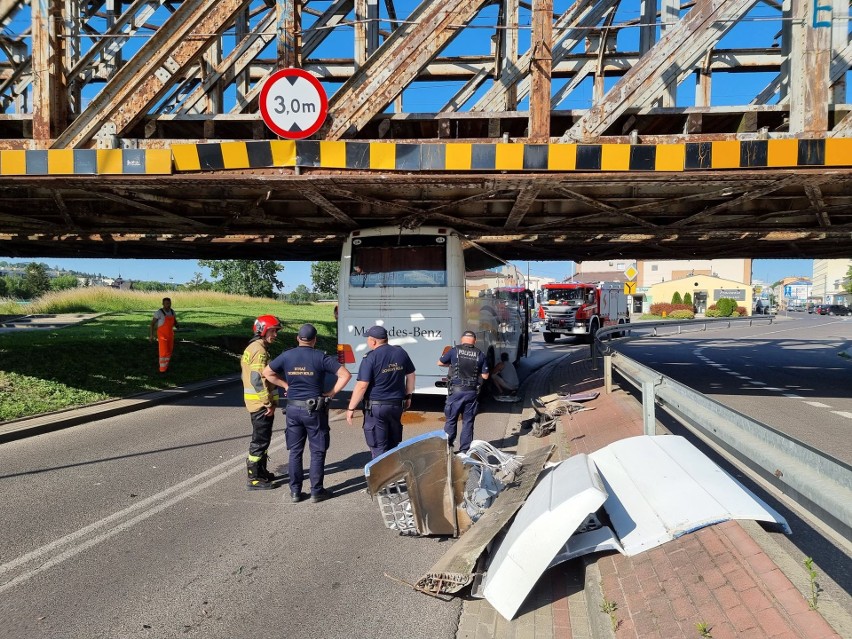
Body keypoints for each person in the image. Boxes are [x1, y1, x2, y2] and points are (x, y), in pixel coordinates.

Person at [264, 323, 351, 503]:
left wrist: (286, 385)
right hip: (314, 410)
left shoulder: (287, 356)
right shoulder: (320, 357)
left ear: (298, 338)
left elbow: (267, 372)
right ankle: (316, 491)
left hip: (293, 409)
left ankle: (295, 491)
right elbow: (345, 375)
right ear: (315, 340)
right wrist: (331, 393)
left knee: (295, 451)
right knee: (317, 451)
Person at [345, 325, 415, 458]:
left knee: (378, 446)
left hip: (376, 408)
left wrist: (350, 408)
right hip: (396, 405)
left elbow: (362, 385)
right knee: (393, 443)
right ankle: (392, 475)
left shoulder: (370, 357)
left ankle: (382, 477)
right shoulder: (400, 352)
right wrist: (408, 396)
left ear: (373, 341)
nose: (367, 342)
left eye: (368, 339)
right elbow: (411, 375)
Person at [241, 314, 282, 491]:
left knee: (263, 440)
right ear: (262, 330)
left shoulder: (255, 347)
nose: (275, 335)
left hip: (257, 403)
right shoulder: (259, 350)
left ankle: (261, 471)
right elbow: (256, 379)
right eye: (272, 331)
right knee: (259, 441)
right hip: (260, 405)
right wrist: (267, 402)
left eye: (276, 331)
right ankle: (254, 478)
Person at [438, 330, 489, 453]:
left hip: (455, 392)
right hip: (471, 392)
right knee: (468, 422)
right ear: (475, 341)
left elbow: (440, 362)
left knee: (451, 420)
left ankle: (448, 448)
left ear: (462, 339)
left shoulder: (454, 351)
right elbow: (485, 376)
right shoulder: (480, 354)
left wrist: (453, 365)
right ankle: (464, 451)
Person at [149, 297, 178, 373]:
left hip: (170, 335)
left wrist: (177, 325)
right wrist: (151, 335)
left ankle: (166, 367)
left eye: (169, 303)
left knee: (169, 351)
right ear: (163, 304)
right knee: (163, 351)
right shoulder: (159, 312)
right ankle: (162, 370)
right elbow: (152, 324)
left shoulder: (172, 312)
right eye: (167, 303)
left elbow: (175, 321)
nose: (168, 305)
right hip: (162, 335)